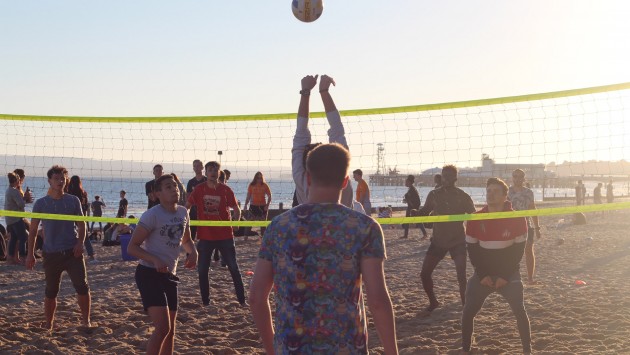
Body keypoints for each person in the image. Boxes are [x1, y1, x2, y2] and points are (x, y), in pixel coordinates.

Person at [249, 143, 398, 354]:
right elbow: (378, 301)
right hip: (346, 347)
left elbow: (256, 296)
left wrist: (272, 349)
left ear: (308, 178)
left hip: (292, 347)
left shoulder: (279, 226)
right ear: (345, 182)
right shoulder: (364, 227)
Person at [127, 174, 198, 355]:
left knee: (170, 330)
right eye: (168, 187)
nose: (174, 189)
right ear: (157, 193)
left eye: (175, 186)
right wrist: (154, 259)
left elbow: (186, 240)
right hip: (148, 273)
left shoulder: (183, 212)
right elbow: (132, 248)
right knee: (162, 329)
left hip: (169, 275)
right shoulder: (152, 215)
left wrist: (193, 252)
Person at [462, 177, 531, 354]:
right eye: (488, 191)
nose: (490, 194)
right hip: (483, 273)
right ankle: (466, 349)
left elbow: (517, 253)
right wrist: (483, 275)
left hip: (508, 272)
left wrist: (504, 277)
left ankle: (527, 351)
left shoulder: (517, 218)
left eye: (495, 191)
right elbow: (473, 251)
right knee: (468, 311)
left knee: (519, 310)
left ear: (505, 196)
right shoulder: (475, 218)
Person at [25, 165, 92, 331]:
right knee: (51, 291)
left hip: (72, 252)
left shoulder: (73, 200)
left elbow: (82, 225)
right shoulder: (41, 203)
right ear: (49, 181)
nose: (60, 181)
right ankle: (49, 324)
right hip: (51, 253)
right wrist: (30, 254)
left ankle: (86, 321)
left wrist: (80, 243)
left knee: (82, 287)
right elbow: (32, 231)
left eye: (63, 178)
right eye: (56, 179)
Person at [415, 165, 476, 313]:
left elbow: (474, 217)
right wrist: (416, 213)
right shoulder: (434, 194)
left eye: (449, 176)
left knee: (461, 275)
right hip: (438, 241)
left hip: (458, 241)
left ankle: (465, 305)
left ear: (455, 178)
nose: (446, 178)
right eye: (444, 175)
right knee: (424, 274)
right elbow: (424, 211)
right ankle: (433, 302)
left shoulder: (462, 196)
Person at [186, 161, 245, 306]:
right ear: (205, 173)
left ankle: (242, 301)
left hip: (225, 235)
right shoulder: (199, 189)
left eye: (215, 170)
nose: (212, 172)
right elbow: (186, 207)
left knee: (233, 268)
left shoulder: (225, 189)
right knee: (202, 270)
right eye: (210, 170)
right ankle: (206, 302)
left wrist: (236, 223)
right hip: (206, 236)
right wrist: (182, 220)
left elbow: (236, 209)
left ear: (219, 173)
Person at [292, 74, 353, 209]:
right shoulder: (366, 225)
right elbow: (337, 131)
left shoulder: (285, 223)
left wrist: (305, 92)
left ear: (308, 178)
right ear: (345, 180)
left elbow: (300, 134)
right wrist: (324, 91)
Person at [508, 169, 542, 284]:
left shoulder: (528, 192)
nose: (518, 178)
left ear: (524, 178)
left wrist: (537, 228)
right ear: (512, 178)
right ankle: (510, 277)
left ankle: (530, 278)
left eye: (520, 176)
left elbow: (533, 209)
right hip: (510, 225)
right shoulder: (507, 192)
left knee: (528, 250)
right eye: (515, 176)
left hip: (526, 224)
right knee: (511, 252)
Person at [67, 175, 97, 262]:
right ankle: (91, 255)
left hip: (71, 216)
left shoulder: (69, 193)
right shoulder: (83, 193)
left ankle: (72, 254)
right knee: (85, 236)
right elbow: (86, 206)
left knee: (71, 235)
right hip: (81, 216)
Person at [5, 171, 32, 265]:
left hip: (9, 219)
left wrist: (23, 199)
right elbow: (20, 204)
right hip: (16, 218)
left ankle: (11, 258)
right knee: (23, 237)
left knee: (13, 238)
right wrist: (25, 199)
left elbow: (16, 204)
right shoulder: (14, 191)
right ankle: (23, 257)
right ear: (16, 180)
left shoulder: (8, 190)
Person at [243, 171, 272, 236]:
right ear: (255, 178)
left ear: (262, 178)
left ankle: (263, 237)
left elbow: (270, 195)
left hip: (262, 206)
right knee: (249, 223)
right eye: (258, 178)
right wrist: (245, 205)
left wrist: (267, 205)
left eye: (260, 178)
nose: (259, 179)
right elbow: (248, 196)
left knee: (263, 224)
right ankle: (245, 237)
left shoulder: (265, 185)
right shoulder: (251, 185)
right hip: (253, 206)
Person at [186, 159, 207, 241]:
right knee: (192, 232)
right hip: (193, 210)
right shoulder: (191, 182)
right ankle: (190, 252)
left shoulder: (206, 180)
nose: (196, 168)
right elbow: (188, 197)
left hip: (205, 210)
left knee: (204, 233)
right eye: (194, 166)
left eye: (198, 166)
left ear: (202, 167)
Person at [402, 175, 428, 239]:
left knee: (416, 220)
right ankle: (406, 235)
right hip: (411, 206)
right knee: (408, 220)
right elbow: (412, 199)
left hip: (413, 207)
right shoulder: (411, 189)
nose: (405, 183)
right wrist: (407, 200)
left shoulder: (412, 190)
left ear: (410, 182)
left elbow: (416, 200)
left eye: (406, 182)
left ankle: (425, 234)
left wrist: (414, 208)